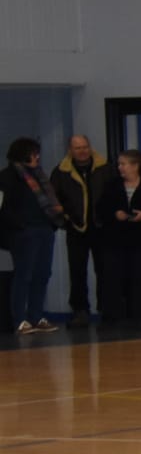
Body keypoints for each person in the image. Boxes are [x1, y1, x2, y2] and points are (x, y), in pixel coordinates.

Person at [94, 150, 141, 326]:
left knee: (140, 277)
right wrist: (115, 214)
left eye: (124, 164)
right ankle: (112, 316)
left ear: (135, 166)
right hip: (115, 238)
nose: (120, 168)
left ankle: (138, 316)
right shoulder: (112, 185)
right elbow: (101, 209)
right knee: (112, 277)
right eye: (119, 164)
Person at [0, 138, 64, 334]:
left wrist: (53, 220)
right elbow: (2, 208)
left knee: (42, 274)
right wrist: (19, 226)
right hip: (23, 233)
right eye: (33, 152)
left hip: (44, 229)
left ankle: (37, 316)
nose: (37, 157)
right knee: (24, 275)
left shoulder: (39, 176)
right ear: (22, 154)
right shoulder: (7, 177)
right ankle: (19, 319)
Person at [52, 135, 111, 323]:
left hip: (101, 228)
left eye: (85, 146)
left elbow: (113, 194)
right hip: (75, 228)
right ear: (70, 150)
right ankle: (80, 310)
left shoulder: (105, 169)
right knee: (77, 271)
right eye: (78, 148)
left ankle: (107, 309)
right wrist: (66, 220)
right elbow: (53, 201)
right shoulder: (61, 173)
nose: (82, 151)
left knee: (105, 270)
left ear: (90, 147)